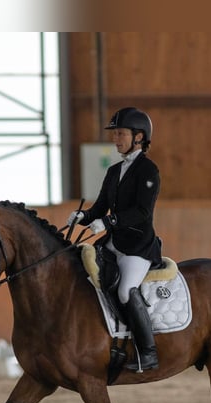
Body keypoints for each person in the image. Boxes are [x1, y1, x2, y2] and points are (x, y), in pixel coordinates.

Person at [67, 107, 162, 372]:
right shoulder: (114, 170)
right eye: (115, 134)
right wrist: (83, 216)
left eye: (121, 134)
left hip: (138, 246)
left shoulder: (148, 171)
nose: (116, 139)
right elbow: (100, 207)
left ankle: (148, 351)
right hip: (112, 243)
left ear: (139, 137)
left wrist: (109, 222)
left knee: (125, 289)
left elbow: (142, 213)